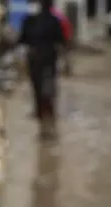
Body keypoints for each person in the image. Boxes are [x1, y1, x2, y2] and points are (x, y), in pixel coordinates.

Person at [18, 0, 67, 140]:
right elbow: (61, 41)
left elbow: (22, 40)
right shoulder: (54, 20)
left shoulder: (29, 20)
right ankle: (48, 124)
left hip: (36, 60)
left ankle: (43, 124)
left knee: (39, 91)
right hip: (48, 60)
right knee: (48, 91)